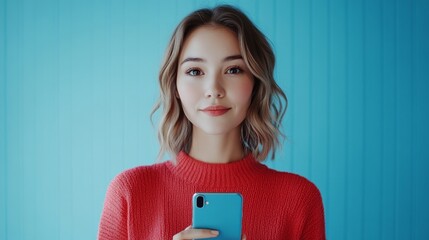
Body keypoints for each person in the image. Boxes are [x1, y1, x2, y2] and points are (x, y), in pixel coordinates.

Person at [98, 5, 325, 240]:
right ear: (174, 86)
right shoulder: (130, 192)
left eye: (233, 69)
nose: (214, 90)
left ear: (256, 83)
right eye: (195, 71)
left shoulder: (299, 198)